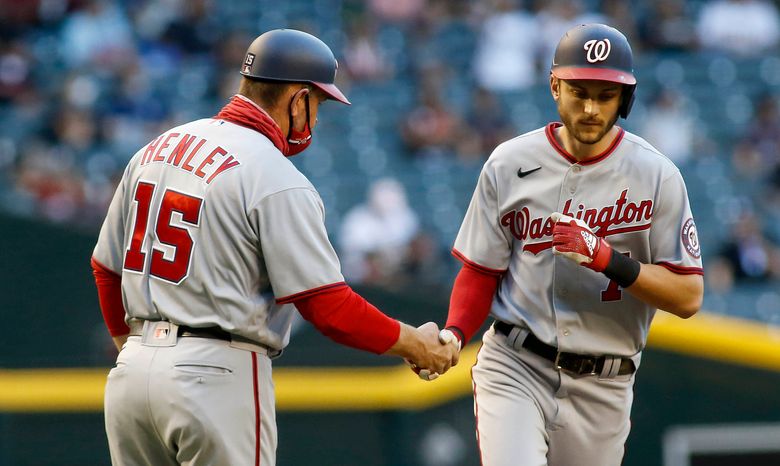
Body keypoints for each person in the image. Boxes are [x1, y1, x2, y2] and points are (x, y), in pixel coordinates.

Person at [90, 28, 459, 466]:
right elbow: (328, 308)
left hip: (132, 374)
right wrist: (414, 344)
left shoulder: (157, 147)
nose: (316, 120)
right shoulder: (274, 175)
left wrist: (133, 348)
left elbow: (105, 268)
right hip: (214, 374)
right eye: (318, 104)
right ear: (297, 100)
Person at [439, 24, 704, 465]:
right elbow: (481, 269)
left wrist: (606, 259)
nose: (589, 108)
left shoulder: (657, 175)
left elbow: (688, 295)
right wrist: (454, 331)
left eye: (605, 95)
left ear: (625, 99)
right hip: (516, 364)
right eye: (579, 91)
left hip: (605, 383)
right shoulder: (510, 163)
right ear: (555, 86)